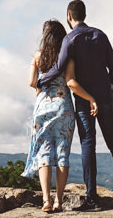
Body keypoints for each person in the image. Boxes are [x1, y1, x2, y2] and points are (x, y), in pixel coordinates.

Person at [39, 0, 113, 211]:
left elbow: (60, 67)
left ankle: (92, 199)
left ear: (69, 16)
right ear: (84, 14)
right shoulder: (100, 35)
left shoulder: (70, 39)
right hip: (105, 95)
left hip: (85, 99)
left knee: (88, 145)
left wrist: (41, 81)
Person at [23, 19, 99, 213]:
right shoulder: (67, 59)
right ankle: (58, 201)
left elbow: (32, 82)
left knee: (45, 154)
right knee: (62, 154)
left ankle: (46, 201)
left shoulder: (38, 56)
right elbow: (71, 81)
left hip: (42, 108)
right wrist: (91, 98)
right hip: (63, 108)